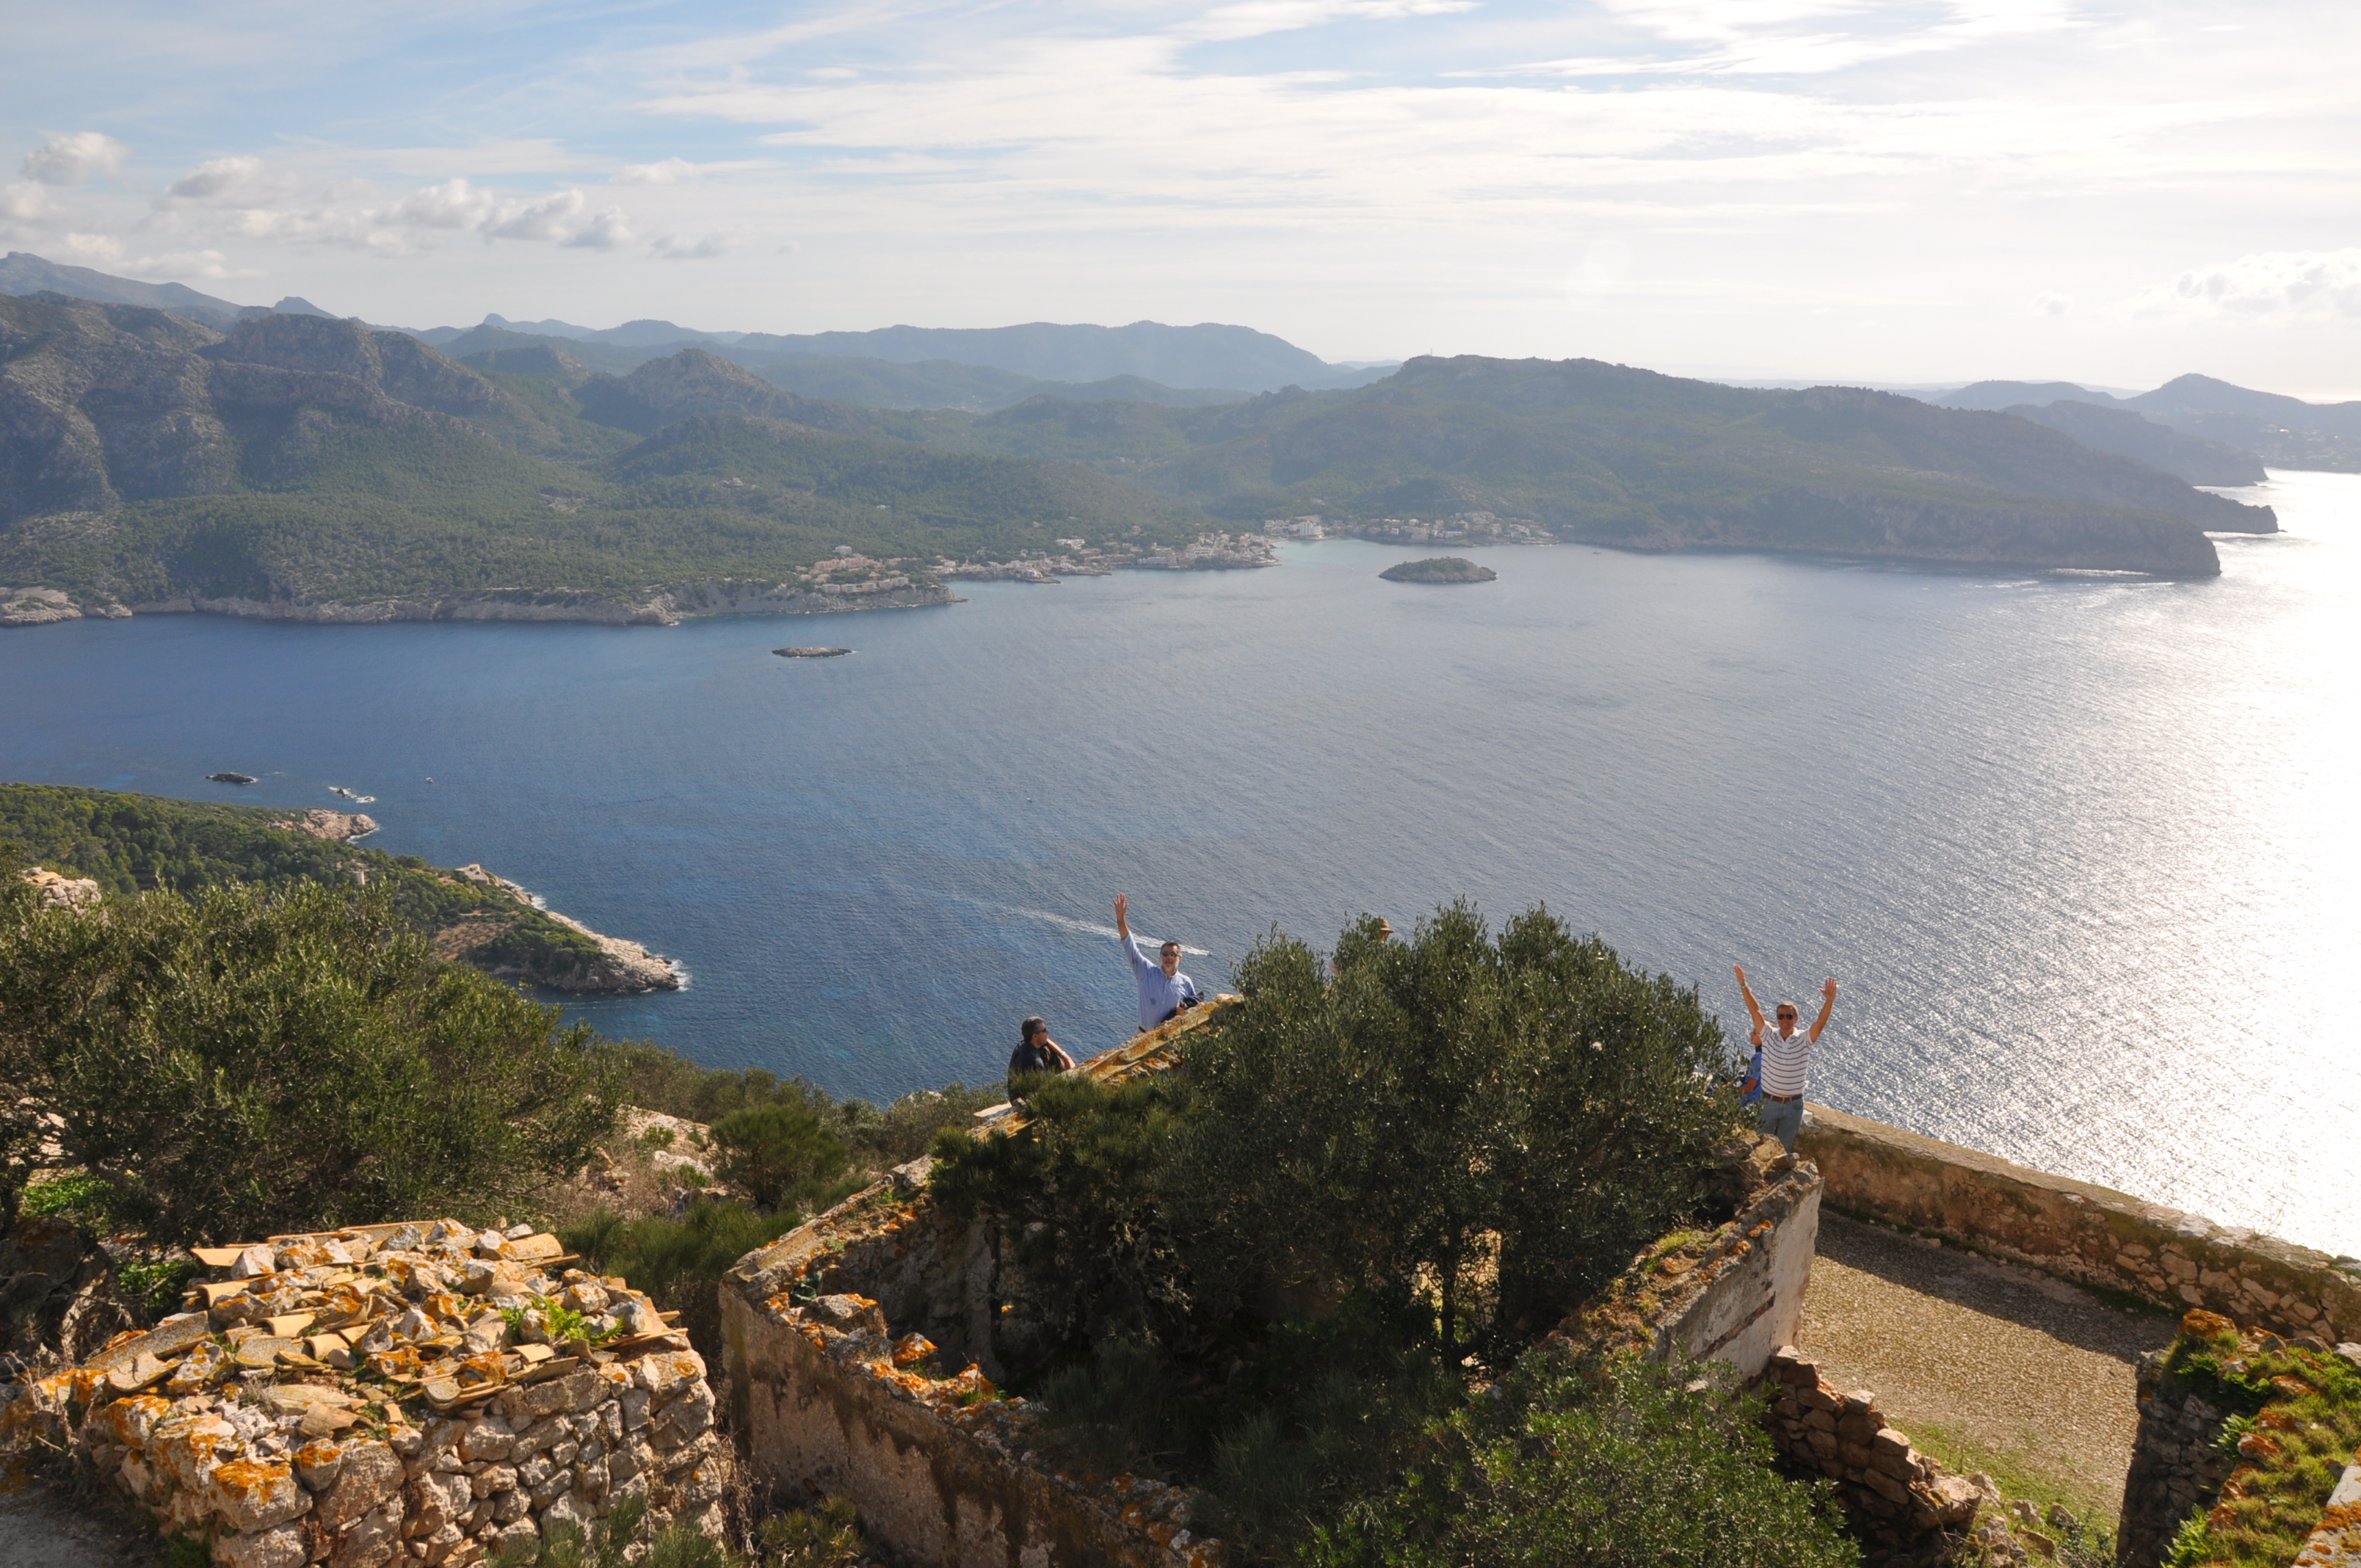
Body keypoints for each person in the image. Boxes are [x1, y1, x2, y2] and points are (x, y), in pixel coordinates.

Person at [1734, 965, 1838, 1155]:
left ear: (1796, 1019)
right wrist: (1744, 986)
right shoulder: (1768, 1035)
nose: (1785, 1020)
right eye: (1781, 1016)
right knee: (1759, 1148)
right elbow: (1755, 1011)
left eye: (1789, 1016)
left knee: (1784, 1150)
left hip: (1793, 1105)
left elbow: (1820, 1023)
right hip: (1768, 1102)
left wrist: (1830, 1001)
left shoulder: (1804, 1039)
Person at [1113, 893, 1199, 1032]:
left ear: (1180, 958)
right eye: (1165, 954)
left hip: (1170, 1039)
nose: (1169, 957)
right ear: (1160, 957)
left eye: (1173, 954)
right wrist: (1121, 918)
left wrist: (1184, 1014)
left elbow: (1194, 1011)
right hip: (1143, 1037)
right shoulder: (1145, 971)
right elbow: (1129, 945)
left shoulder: (1186, 983)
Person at [1008, 1016, 1076, 1081]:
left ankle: (1065, 1071)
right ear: (1035, 1036)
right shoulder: (1036, 1062)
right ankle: (1067, 1073)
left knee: (1046, 1048)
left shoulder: (1021, 1045)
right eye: (1044, 1030)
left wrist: (1064, 1056)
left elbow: (1047, 1042)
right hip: (1028, 1088)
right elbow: (1043, 1088)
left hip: (1014, 1088)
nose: (1048, 1032)